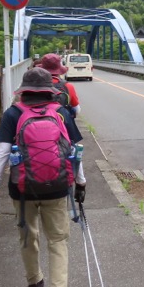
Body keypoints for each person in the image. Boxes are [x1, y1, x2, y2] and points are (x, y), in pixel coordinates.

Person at [0, 67, 85, 287]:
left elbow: (3, 153)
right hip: (57, 188)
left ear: (24, 90)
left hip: (23, 189)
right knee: (58, 241)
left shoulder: (13, 113)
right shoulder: (61, 113)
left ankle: (34, 284)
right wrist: (80, 183)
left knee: (28, 236)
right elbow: (74, 152)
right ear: (49, 91)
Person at [37, 53, 86, 198]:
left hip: (37, 127)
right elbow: (77, 109)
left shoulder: (34, 86)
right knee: (73, 148)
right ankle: (81, 182)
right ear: (60, 70)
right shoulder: (67, 86)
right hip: (62, 125)